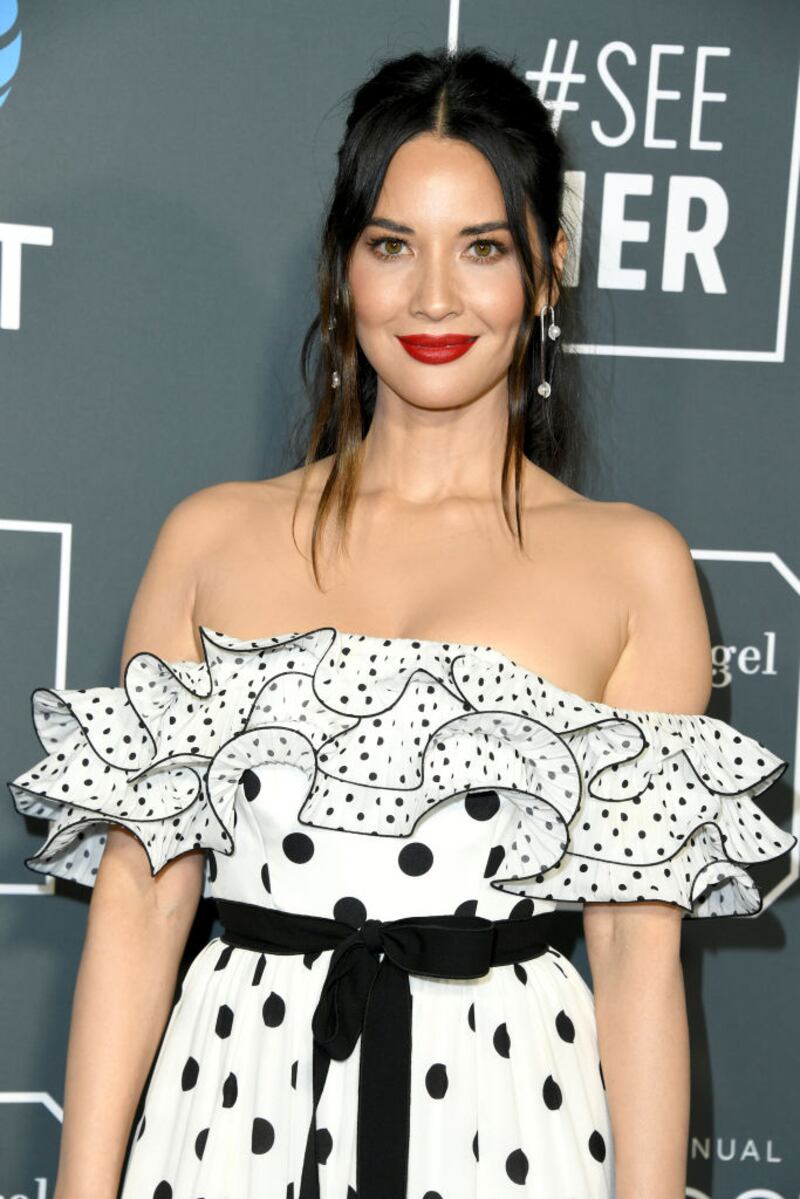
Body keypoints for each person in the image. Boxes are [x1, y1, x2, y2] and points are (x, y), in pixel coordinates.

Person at [8, 45, 794, 1199]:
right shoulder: (211, 540)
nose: (434, 297)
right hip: (232, 1112)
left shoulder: (632, 566)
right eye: (392, 245)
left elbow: (633, 952)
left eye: (480, 247)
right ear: (343, 268)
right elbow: (140, 895)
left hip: (507, 1118)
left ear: (547, 266)